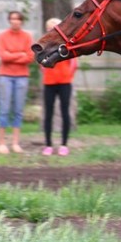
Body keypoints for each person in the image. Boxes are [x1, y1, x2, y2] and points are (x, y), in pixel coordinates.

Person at [0, 11, 34, 154]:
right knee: (4, 109)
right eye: (12, 19)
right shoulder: (2, 36)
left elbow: (30, 57)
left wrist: (13, 55)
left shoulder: (27, 37)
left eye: (17, 19)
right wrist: (20, 54)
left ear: (21, 21)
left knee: (18, 110)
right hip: (5, 76)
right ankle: (1, 142)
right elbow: (3, 56)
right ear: (9, 21)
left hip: (22, 76)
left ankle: (15, 143)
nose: (15, 21)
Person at [41, 18, 78, 156]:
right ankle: (48, 145)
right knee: (48, 114)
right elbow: (41, 63)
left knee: (64, 112)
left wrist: (68, 75)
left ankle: (63, 144)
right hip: (49, 82)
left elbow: (74, 63)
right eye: (49, 28)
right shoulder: (44, 43)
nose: (52, 30)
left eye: (55, 27)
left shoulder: (66, 43)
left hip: (64, 82)